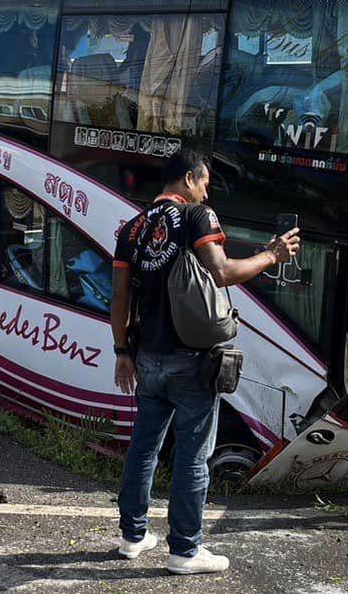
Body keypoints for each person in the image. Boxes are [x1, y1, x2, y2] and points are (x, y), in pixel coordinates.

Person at [108, 150, 300, 576]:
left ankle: (132, 537)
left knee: (144, 447)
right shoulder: (197, 215)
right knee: (193, 456)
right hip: (191, 359)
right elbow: (222, 272)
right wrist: (272, 255)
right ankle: (185, 550)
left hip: (147, 356)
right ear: (190, 179)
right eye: (205, 183)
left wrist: (122, 351)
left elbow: (120, 295)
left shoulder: (133, 227)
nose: (207, 192)